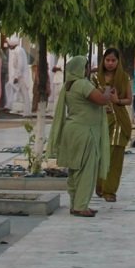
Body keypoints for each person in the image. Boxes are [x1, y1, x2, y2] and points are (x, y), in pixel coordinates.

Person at [48, 56, 113, 217]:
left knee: (75, 170)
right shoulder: (82, 84)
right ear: (79, 69)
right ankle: (81, 206)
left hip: (73, 131)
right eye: (86, 67)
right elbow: (102, 100)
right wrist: (108, 90)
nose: (88, 70)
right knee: (86, 170)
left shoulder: (69, 85)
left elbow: (85, 105)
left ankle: (75, 203)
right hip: (85, 132)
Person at [95, 48, 132, 202]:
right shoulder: (95, 78)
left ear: (118, 62)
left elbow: (129, 100)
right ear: (103, 61)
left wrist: (117, 101)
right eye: (107, 60)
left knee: (115, 156)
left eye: (113, 60)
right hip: (100, 120)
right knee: (101, 154)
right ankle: (100, 185)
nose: (110, 63)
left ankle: (110, 190)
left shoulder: (123, 78)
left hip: (119, 121)